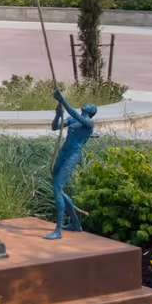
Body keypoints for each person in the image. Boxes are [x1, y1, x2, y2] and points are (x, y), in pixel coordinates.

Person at [48, 87, 99, 239]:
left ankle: (58, 230)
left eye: (91, 106)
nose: (88, 104)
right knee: (58, 189)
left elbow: (74, 113)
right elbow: (55, 127)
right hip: (62, 154)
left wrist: (62, 99)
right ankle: (75, 224)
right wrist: (58, 115)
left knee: (57, 188)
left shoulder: (88, 123)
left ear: (92, 112)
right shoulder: (72, 120)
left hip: (71, 156)